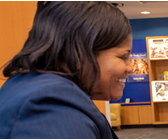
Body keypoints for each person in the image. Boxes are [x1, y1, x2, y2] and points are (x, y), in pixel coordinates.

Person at [0, 1, 133, 139]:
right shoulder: (50, 106)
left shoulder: (26, 86)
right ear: (79, 54)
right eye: (123, 57)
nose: (130, 68)